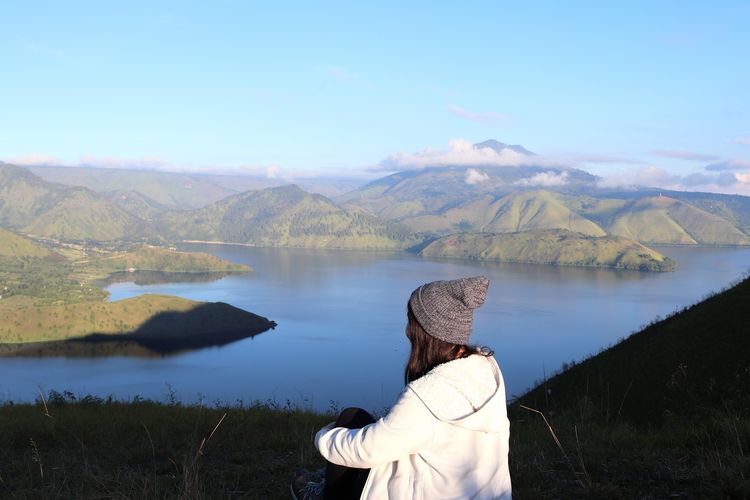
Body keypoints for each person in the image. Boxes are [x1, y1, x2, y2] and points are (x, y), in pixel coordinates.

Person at [291, 276, 512, 499]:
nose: (407, 330)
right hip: (481, 492)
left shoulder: (427, 397)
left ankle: (325, 494)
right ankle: (330, 480)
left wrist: (324, 437)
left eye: (412, 321)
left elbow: (365, 450)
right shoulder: (484, 369)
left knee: (348, 431)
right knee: (354, 418)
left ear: (427, 332)